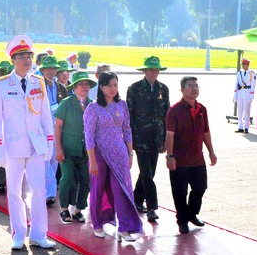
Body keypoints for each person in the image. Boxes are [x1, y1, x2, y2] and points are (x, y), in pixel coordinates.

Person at [0, 35, 56, 250]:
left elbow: (45, 115)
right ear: (13, 60)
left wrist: (49, 142)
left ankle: (38, 233)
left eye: (29, 56)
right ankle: (18, 233)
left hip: (36, 145)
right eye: (22, 57)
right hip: (12, 145)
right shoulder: (1, 85)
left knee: (39, 189)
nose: (27, 60)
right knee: (15, 192)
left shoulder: (38, 83)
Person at [84, 71, 142, 242]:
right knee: (98, 188)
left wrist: (130, 152)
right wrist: (92, 161)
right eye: (109, 85)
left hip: (120, 154)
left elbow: (127, 129)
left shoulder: (121, 105)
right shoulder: (93, 108)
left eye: (115, 85)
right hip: (99, 154)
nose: (113, 89)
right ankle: (98, 223)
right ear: (101, 87)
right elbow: (88, 135)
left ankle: (125, 227)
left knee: (121, 189)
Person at [164, 76, 217, 235]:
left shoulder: (202, 109)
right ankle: (182, 221)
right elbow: (169, 135)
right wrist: (170, 156)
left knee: (200, 187)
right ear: (182, 90)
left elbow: (206, 132)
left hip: (197, 159)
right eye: (190, 86)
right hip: (179, 160)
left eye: (196, 85)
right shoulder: (174, 110)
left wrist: (211, 152)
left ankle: (191, 213)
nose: (194, 88)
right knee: (180, 192)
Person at [127, 56, 170, 222]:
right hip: (140, 138)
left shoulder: (163, 89)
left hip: (157, 137)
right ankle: (152, 207)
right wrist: (130, 139)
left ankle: (136, 199)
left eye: (156, 69)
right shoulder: (135, 88)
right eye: (151, 69)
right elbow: (129, 115)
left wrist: (166, 138)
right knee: (146, 172)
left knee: (149, 172)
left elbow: (167, 114)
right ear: (144, 71)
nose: (154, 73)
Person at [54, 71, 94, 227]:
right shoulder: (67, 102)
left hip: (86, 150)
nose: (84, 87)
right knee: (68, 178)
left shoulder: (92, 104)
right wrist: (58, 148)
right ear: (74, 87)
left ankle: (78, 209)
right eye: (81, 84)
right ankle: (64, 208)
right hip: (68, 148)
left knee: (86, 179)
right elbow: (58, 126)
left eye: (86, 84)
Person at [39, 55, 67, 206]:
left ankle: (48, 190)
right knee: (44, 160)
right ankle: (50, 192)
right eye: (48, 68)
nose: (51, 71)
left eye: (53, 68)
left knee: (54, 160)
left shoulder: (61, 87)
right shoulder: (36, 85)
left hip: (57, 129)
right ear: (42, 69)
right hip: (41, 129)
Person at [234, 57, 256, 133]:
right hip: (240, 93)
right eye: (242, 64)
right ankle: (240, 127)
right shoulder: (239, 73)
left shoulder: (252, 74)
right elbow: (236, 84)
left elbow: (253, 85)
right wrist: (235, 95)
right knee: (240, 111)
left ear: (248, 64)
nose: (243, 65)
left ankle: (246, 127)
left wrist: (251, 96)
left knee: (247, 112)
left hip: (247, 93)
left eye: (244, 64)